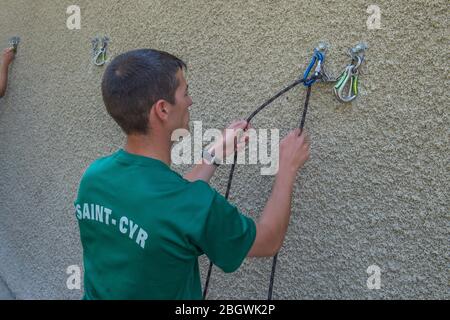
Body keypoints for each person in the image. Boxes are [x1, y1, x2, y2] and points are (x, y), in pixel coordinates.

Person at [74, 49, 310, 300]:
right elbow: (268, 240)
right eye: (185, 93)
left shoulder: (93, 178)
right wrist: (287, 167)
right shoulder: (192, 204)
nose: (190, 101)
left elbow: (164, 209)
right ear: (162, 110)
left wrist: (213, 154)